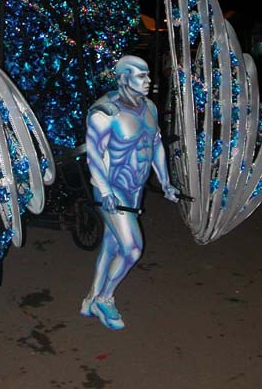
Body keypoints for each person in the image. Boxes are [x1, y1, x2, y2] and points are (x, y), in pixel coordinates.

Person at [80, 54, 180, 331]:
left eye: (148, 74)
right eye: (141, 75)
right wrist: (105, 191)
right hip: (113, 188)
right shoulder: (104, 112)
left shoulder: (150, 107)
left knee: (112, 244)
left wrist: (165, 182)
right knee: (132, 248)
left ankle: (89, 299)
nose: (149, 80)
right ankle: (105, 299)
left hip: (136, 190)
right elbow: (94, 155)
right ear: (124, 78)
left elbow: (156, 145)